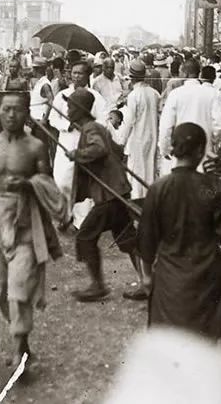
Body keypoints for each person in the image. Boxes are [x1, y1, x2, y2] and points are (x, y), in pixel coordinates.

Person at [0, 88, 67, 366]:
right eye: (5, 109)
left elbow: (48, 183)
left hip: (26, 220)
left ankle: (19, 347)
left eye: (16, 109)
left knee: (19, 289)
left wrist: (29, 183)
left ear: (26, 111)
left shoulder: (36, 147)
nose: (10, 114)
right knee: (0, 289)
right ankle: (23, 338)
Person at [139, 123, 221, 340]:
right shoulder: (213, 186)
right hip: (207, 280)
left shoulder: (158, 189)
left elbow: (146, 242)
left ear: (173, 148)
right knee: (204, 346)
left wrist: (146, 276)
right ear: (200, 151)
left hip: (170, 283)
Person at [65, 89, 146, 301]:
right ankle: (149, 282)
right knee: (127, 239)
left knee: (85, 236)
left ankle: (97, 285)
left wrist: (78, 155)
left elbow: (99, 149)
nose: (67, 109)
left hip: (109, 195)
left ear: (79, 109)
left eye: (70, 106)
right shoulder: (97, 127)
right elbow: (116, 151)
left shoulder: (91, 128)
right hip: (117, 190)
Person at [51, 61, 108, 205]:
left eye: (80, 73)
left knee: (83, 186)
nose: (76, 76)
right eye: (74, 73)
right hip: (66, 143)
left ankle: (80, 224)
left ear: (87, 75)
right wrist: (67, 125)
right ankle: (64, 218)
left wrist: (86, 127)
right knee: (62, 181)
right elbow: (53, 118)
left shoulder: (95, 97)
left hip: (85, 146)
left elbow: (103, 121)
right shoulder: (62, 95)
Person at [158, 59, 221, 171]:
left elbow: (166, 126)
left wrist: (165, 149)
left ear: (185, 73)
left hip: (181, 154)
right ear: (198, 73)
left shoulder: (176, 94)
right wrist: (211, 140)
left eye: (180, 72)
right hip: (204, 152)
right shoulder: (212, 93)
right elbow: (220, 124)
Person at [120, 59, 160, 200]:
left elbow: (129, 122)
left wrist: (121, 143)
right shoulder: (154, 93)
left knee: (136, 173)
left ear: (131, 78)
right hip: (152, 137)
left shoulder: (134, 96)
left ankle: (138, 203)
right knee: (150, 170)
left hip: (137, 139)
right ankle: (150, 200)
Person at [27, 56, 56, 164]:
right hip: (35, 121)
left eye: (34, 68)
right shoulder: (39, 83)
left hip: (40, 122)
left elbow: (51, 100)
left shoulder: (45, 84)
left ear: (38, 69)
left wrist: (45, 118)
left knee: (42, 150)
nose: (32, 71)